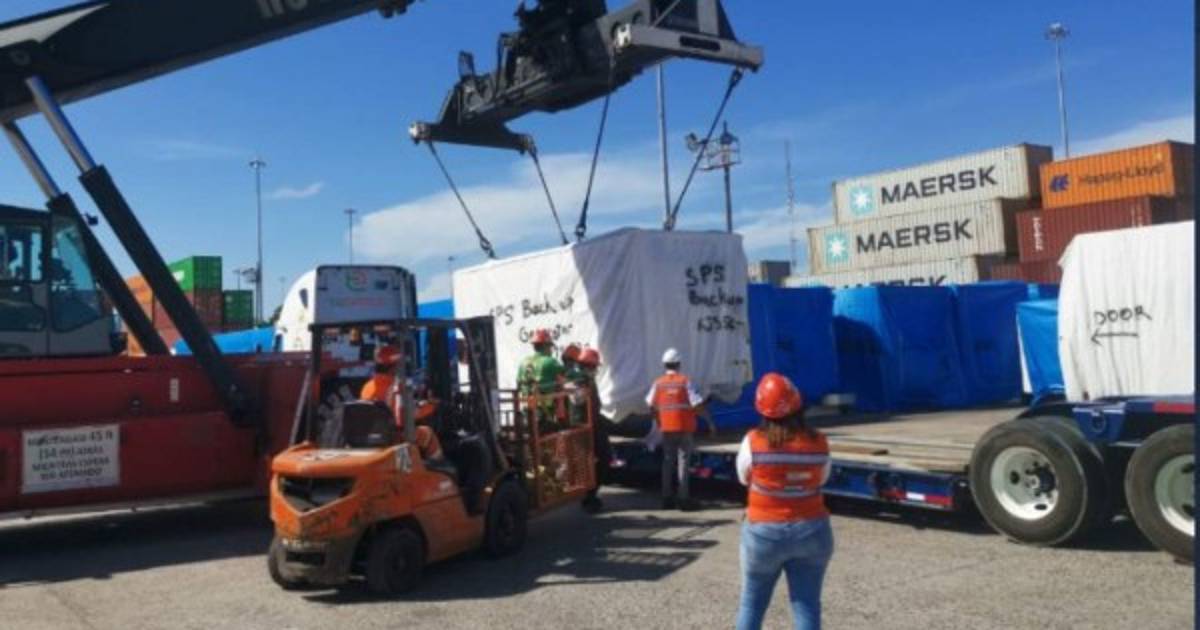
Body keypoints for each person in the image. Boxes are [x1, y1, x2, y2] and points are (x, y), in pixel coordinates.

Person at [734, 373, 833, 630]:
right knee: (806, 604)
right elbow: (822, 479)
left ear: (761, 409)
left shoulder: (753, 441)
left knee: (751, 604)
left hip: (763, 533)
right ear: (798, 404)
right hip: (812, 529)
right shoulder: (819, 441)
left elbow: (743, 477)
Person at [646, 347, 715, 511]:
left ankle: (666, 498)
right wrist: (710, 422)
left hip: (667, 429)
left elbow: (650, 404)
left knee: (667, 462)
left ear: (664, 364)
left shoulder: (658, 383)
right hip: (684, 429)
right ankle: (683, 499)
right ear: (679, 364)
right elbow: (696, 405)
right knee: (683, 463)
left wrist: (658, 421)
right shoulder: (684, 381)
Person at [360, 345, 444, 461]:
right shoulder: (395, 388)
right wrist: (431, 406)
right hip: (393, 437)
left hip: (371, 436)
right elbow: (408, 415)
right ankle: (438, 466)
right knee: (427, 433)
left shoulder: (367, 387)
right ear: (392, 367)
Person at [576, 347, 611, 514]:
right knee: (601, 459)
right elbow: (581, 406)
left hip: (592, 425)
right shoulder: (581, 382)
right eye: (594, 367)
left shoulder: (586, 381)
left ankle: (590, 494)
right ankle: (589, 495)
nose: (596, 370)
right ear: (588, 366)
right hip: (588, 427)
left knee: (595, 461)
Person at [517, 329, 566, 432]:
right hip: (544, 410)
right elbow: (566, 377)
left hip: (526, 409)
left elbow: (518, 383)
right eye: (550, 347)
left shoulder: (523, 362)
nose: (551, 350)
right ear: (545, 346)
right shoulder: (550, 362)